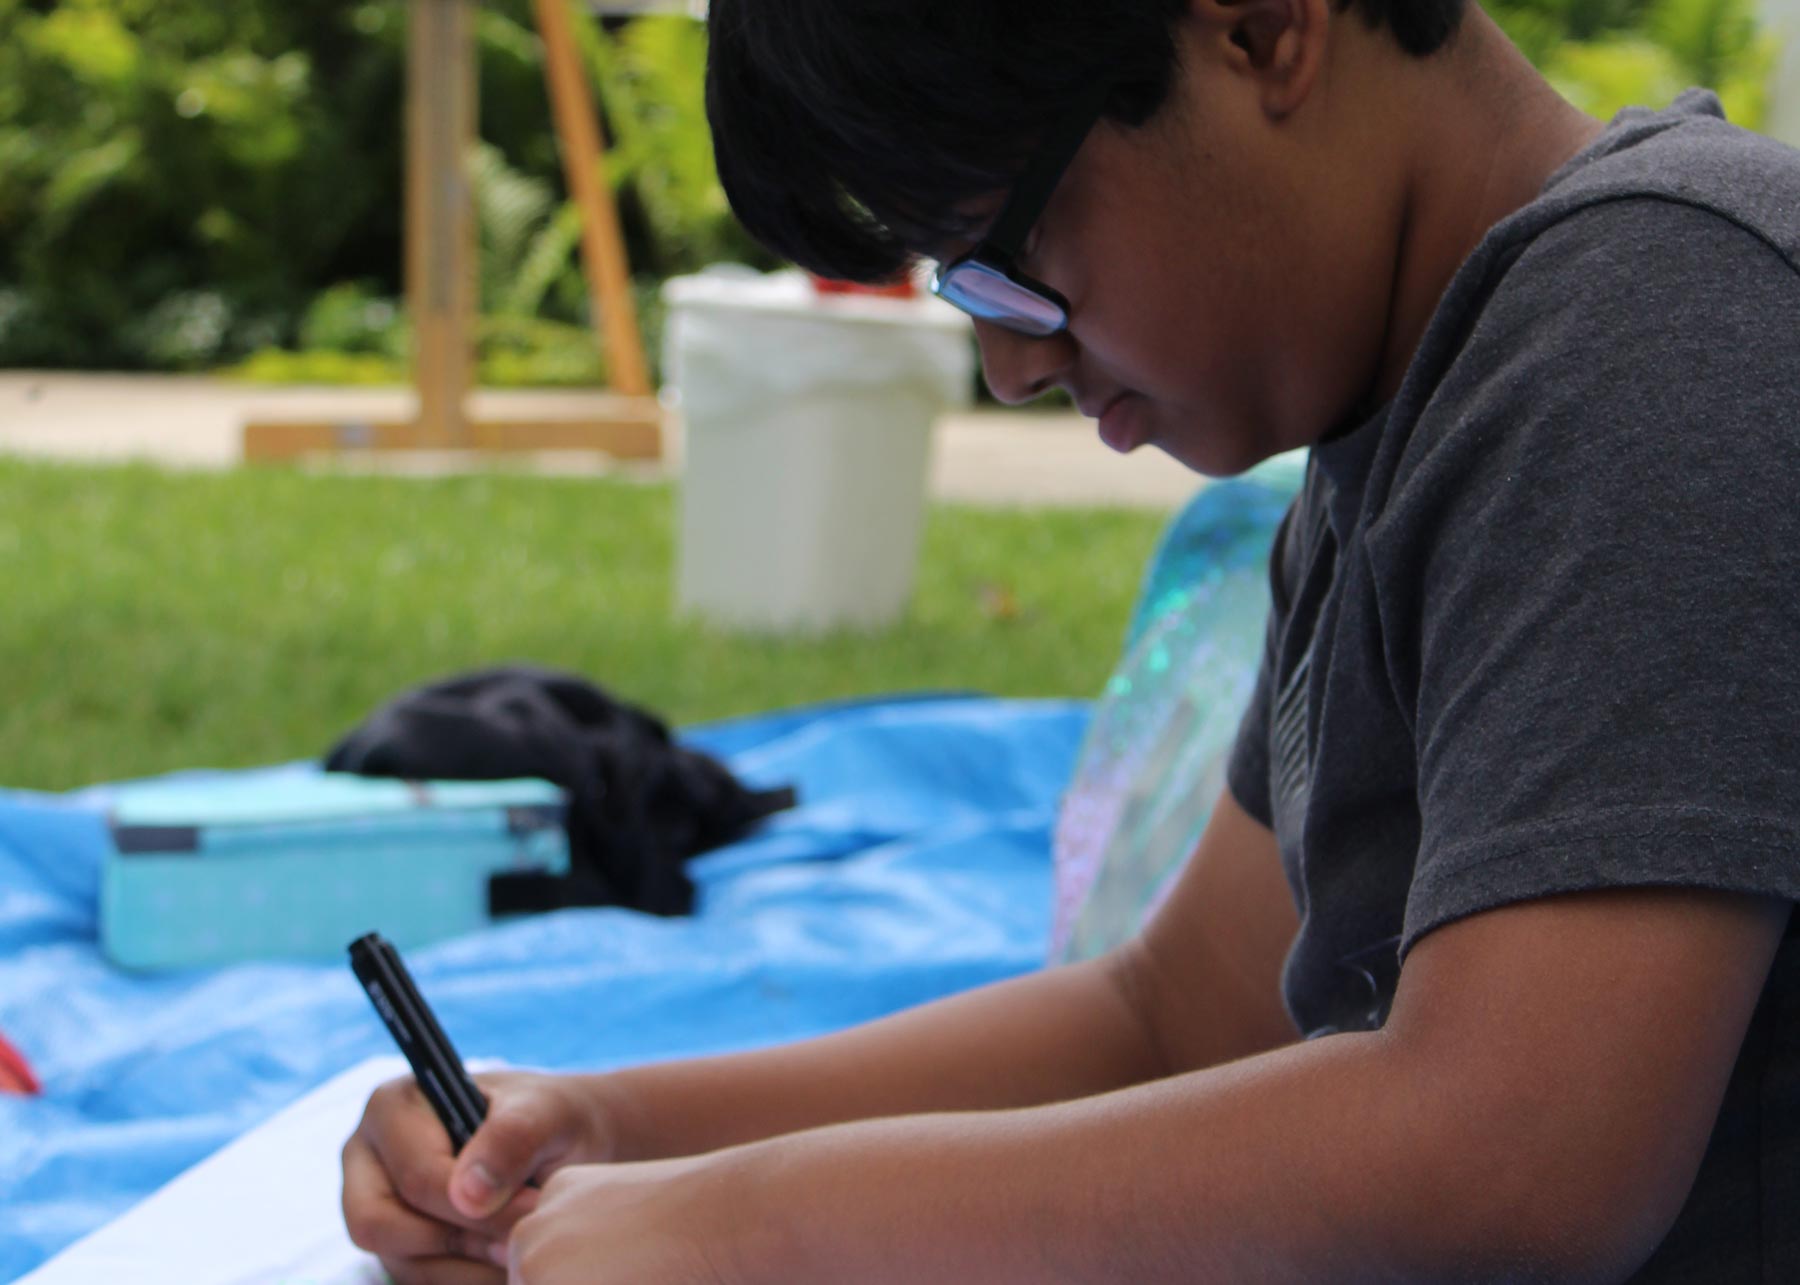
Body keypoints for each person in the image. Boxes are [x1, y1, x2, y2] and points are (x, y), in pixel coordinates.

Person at [341, 0, 1800, 1279]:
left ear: (1258, 29)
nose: (1013, 361)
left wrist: (751, 1230)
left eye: (1004, 255)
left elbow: (1516, 1150)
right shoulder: (1397, 417)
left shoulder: (1660, 323)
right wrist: (616, 1129)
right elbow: (1175, 1018)